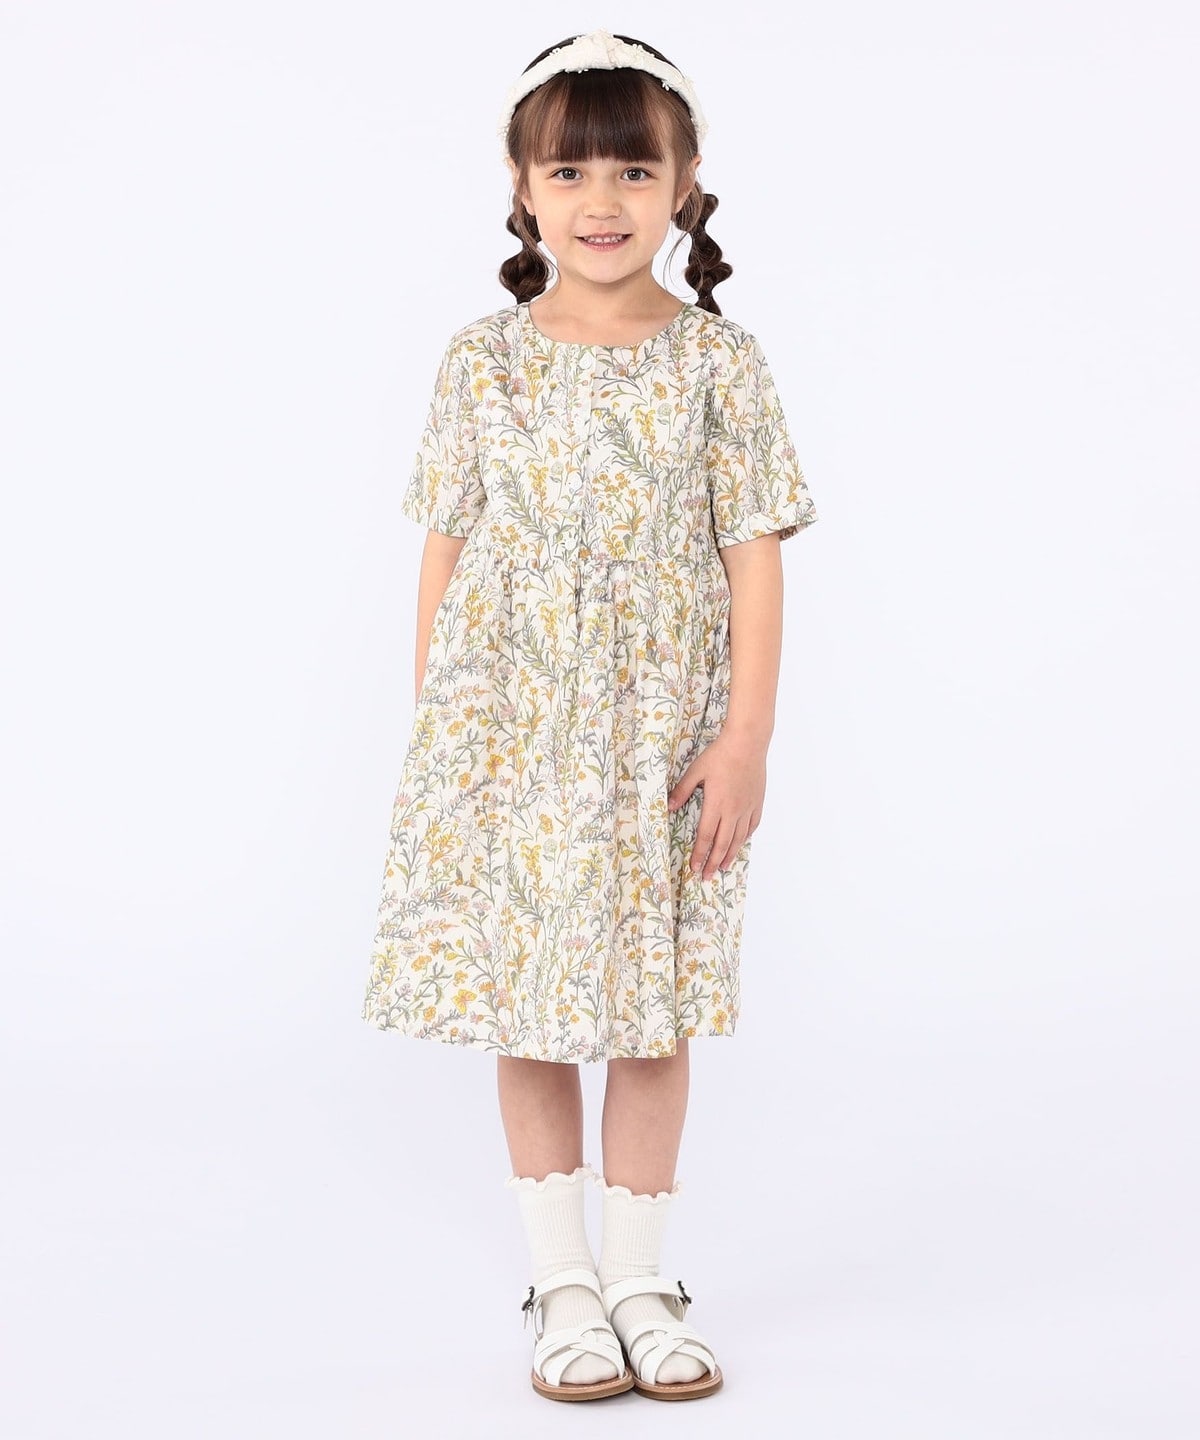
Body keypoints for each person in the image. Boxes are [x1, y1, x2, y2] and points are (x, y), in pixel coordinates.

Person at [362, 28, 820, 1402]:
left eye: (634, 168)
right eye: (569, 171)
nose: (602, 199)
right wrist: (447, 735)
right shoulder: (481, 363)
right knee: (529, 999)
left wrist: (745, 739)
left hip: (661, 744)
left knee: (653, 1009)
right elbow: (447, 547)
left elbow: (753, 553)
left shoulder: (721, 365)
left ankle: (640, 1278)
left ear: (686, 182)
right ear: (522, 187)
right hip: (511, 739)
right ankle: (561, 1280)